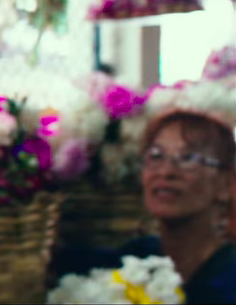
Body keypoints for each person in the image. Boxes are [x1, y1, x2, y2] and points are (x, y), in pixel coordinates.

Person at [54, 107, 236, 304]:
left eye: (188, 158)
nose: (166, 172)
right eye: (156, 156)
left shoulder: (229, 274)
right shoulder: (137, 258)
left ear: (225, 185)